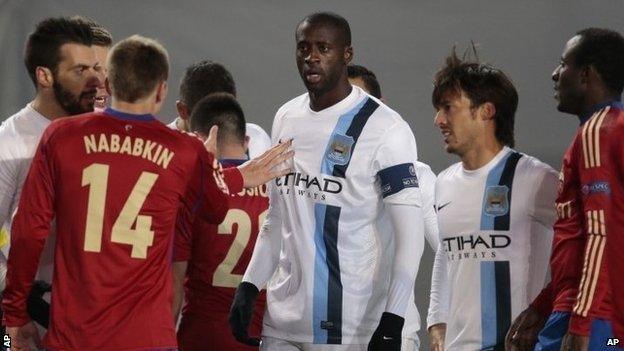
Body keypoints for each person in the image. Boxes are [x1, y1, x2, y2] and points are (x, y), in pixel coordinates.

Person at [2, 34, 292, 351]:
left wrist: (14, 312)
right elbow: (216, 207)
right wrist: (229, 175)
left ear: (109, 84)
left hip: (76, 335)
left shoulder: (61, 137)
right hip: (147, 336)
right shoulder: (184, 151)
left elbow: (29, 230)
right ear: (161, 91)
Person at [229, 12, 425, 351]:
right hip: (283, 322)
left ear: (347, 55)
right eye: (303, 47)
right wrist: (249, 285)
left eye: (323, 48)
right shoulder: (286, 117)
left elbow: (411, 236)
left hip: (351, 329)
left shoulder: (387, 129)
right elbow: (277, 217)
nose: (311, 57)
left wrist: (393, 320)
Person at [426, 50, 558, 351]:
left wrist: (549, 315)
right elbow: (447, 254)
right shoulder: (444, 183)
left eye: (448, 108)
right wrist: (437, 322)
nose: (438, 120)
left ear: (486, 111)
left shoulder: (536, 179)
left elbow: (587, 248)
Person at [507, 28, 624, 351]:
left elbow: (601, 234)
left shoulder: (597, 132)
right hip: (606, 320)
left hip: (593, 318)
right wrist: (543, 305)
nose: (555, 74)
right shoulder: (611, 129)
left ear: (586, 74)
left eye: (563, 64)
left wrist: (582, 322)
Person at [0, 16, 104, 320]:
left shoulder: (104, 134)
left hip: (93, 318)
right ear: (44, 76)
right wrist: (20, 299)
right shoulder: (10, 144)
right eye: (80, 71)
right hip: (30, 320)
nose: (95, 81)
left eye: (95, 68)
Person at [347, 62, 439, 351]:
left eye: (360, 104)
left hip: (392, 333)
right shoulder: (317, 178)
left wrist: (441, 319)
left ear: (381, 109)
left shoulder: (417, 175)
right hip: (324, 333)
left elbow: (451, 251)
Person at [173, 93, 269, 351]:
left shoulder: (194, 192)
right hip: (258, 338)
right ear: (246, 141)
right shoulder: (276, 196)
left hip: (200, 337)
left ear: (202, 142)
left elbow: (175, 282)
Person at [169, 60, 272, 158]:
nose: (217, 131)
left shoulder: (258, 141)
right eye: (207, 120)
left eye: (226, 113)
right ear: (182, 110)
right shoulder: (159, 149)